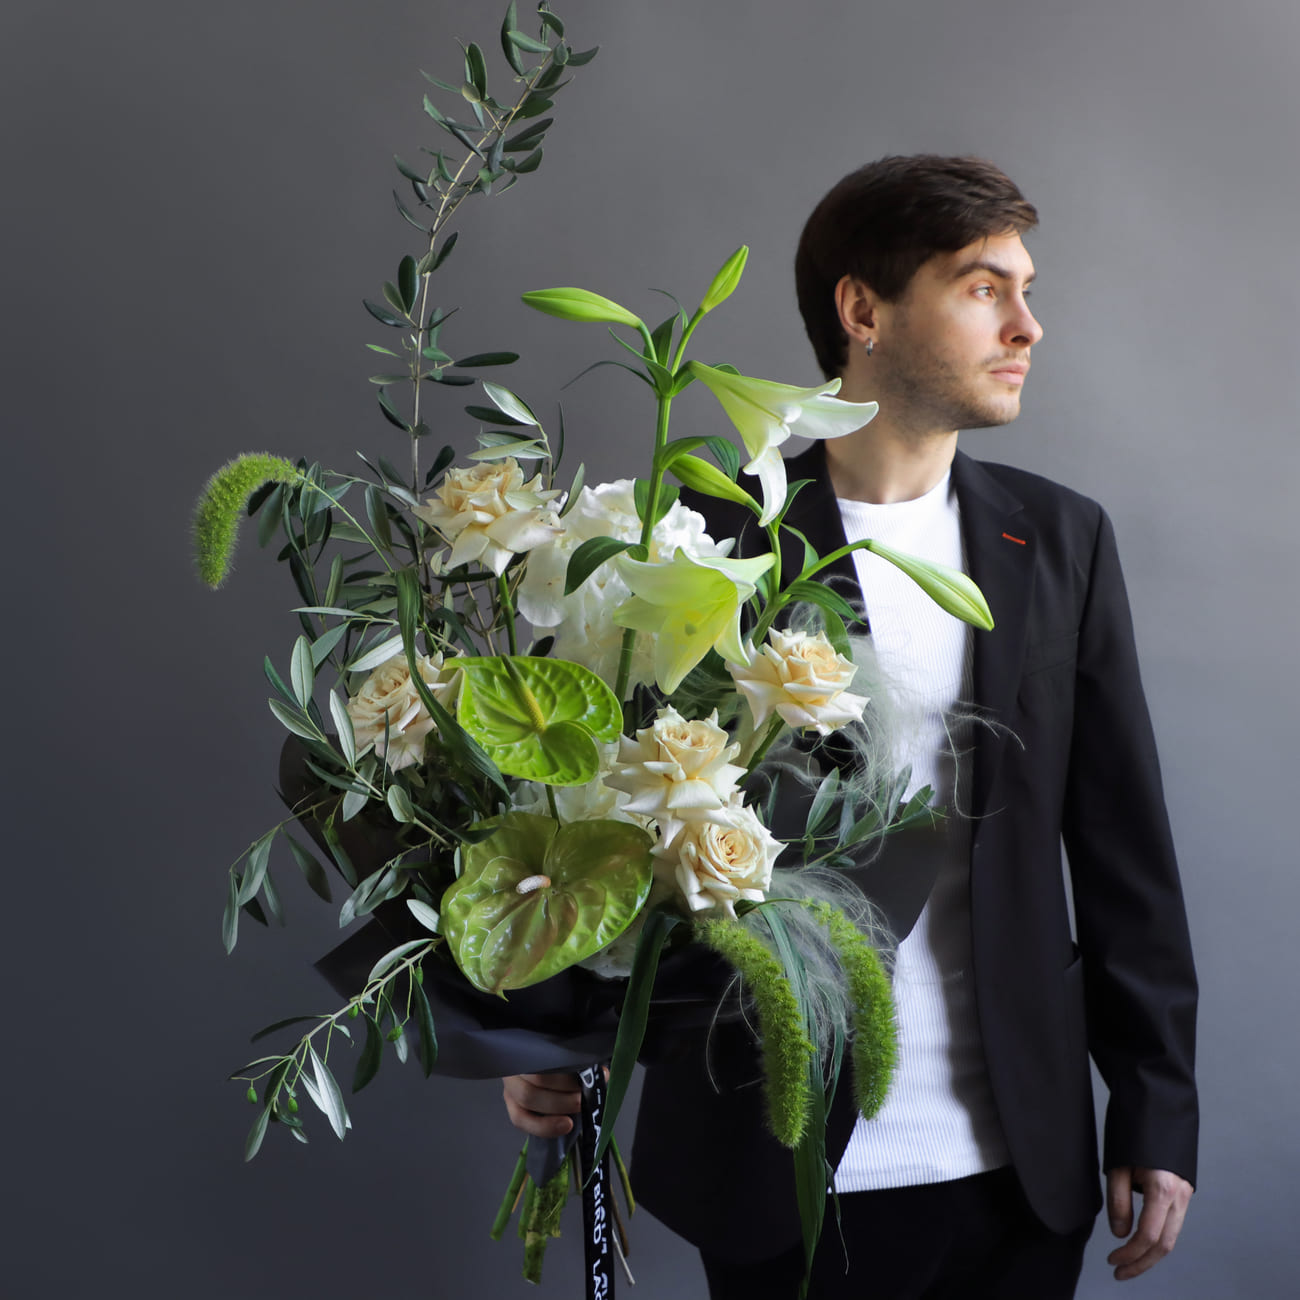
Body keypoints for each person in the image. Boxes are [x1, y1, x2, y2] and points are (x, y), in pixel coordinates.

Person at [503, 155, 1198, 1299]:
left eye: (1025, 290)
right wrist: (548, 1034)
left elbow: (1124, 847)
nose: (1026, 326)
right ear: (861, 312)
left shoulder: (1059, 538)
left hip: (1019, 1166)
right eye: (982, 288)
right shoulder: (699, 536)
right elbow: (586, 811)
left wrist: (1155, 1106)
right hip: (772, 1161)